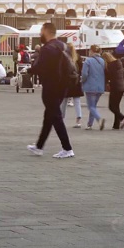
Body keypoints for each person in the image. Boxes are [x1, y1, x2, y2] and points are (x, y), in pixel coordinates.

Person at [27, 23, 75, 158]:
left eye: (41, 31)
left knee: (55, 116)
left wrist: (29, 70)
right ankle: (39, 146)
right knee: (49, 116)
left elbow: (40, 67)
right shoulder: (63, 46)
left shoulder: (47, 48)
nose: (40, 34)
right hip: (63, 86)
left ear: (46, 32)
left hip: (51, 86)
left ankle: (67, 148)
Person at [80, 46, 107, 130]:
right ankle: (89, 124)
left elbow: (84, 74)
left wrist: (82, 81)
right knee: (93, 106)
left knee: (90, 106)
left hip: (90, 86)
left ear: (91, 51)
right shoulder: (102, 61)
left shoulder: (88, 61)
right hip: (100, 86)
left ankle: (99, 119)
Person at [102, 50, 124, 130]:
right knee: (116, 106)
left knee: (111, 106)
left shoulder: (109, 66)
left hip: (115, 87)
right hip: (122, 87)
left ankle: (122, 117)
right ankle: (116, 125)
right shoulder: (119, 63)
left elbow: (107, 77)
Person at [63, 44, 84, 128]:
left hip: (66, 81)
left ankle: (62, 118)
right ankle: (78, 119)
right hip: (76, 81)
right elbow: (81, 68)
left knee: (63, 101)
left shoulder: (64, 57)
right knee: (77, 101)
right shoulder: (77, 57)